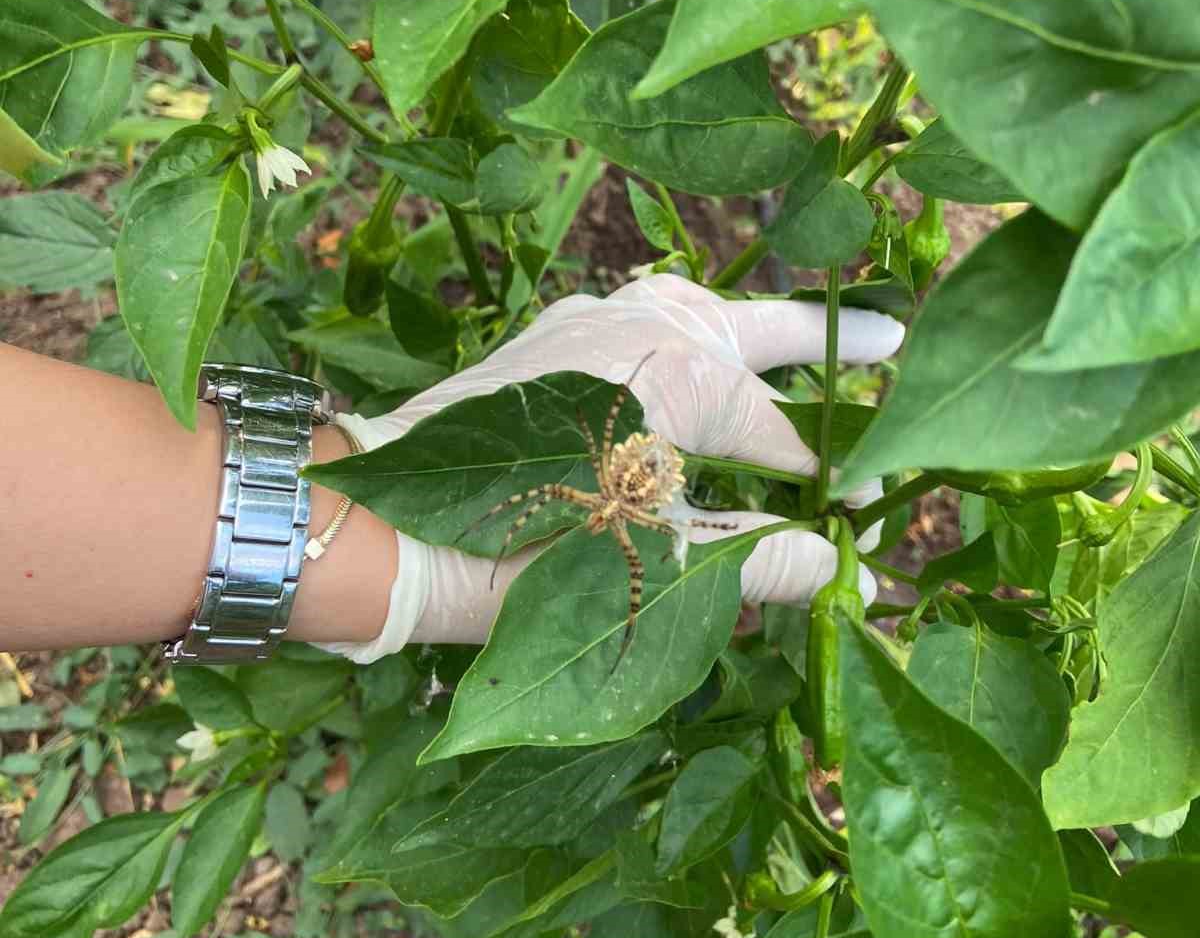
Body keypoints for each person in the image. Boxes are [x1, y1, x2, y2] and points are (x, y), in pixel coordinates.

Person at [1, 276, 903, 661]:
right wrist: (402, 557)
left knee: (586, 508)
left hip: (602, 471)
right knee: (594, 521)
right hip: (600, 477)